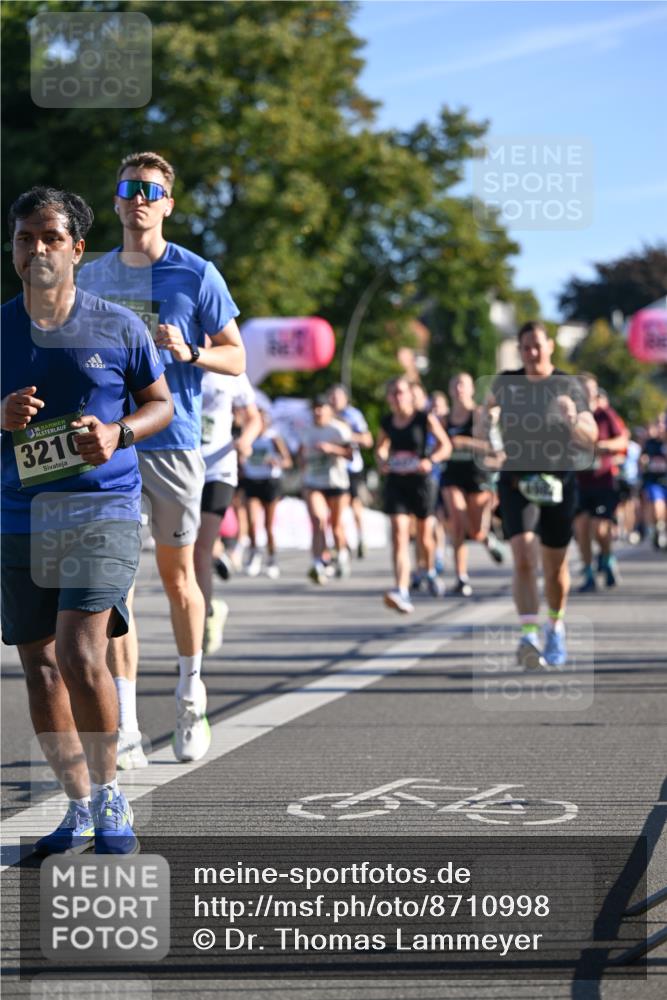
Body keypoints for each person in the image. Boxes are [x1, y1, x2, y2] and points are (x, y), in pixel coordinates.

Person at [1, 187, 173, 854]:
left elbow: (158, 403)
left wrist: (119, 432)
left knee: (78, 652)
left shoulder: (118, 325)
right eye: (24, 238)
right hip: (20, 514)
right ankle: (74, 805)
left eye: (49, 236)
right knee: (40, 670)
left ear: (77, 248)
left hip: (101, 508)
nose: (36, 249)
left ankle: (110, 799)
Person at [78, 152, 245, 766]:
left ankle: (189, 693)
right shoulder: (92, 278)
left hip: (174, 443)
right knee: (114, 586)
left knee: (178, 582)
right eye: (129, 188)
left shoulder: (197, 274)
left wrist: (192, 351)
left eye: (151, 189)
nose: (139, 198)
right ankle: (124, 723)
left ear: (167, 203)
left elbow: (237, 356)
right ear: (117, 202)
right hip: (114, 443)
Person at [487, 321, 597, 668]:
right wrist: (487, 419)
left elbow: (590, 433)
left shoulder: (568, 384)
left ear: (550, 345)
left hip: (558, 481)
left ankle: (555, 626)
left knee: (555, 570)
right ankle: (528, 635)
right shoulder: (507, 383)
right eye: (525, 347)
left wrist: (572, 420)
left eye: (537, 345)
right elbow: (485, 415)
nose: (532, 353)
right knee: (522, 557)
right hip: (517, 481)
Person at [195, 368, 260, 654]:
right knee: (182, 555)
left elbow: (253, 417)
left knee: (200, 550)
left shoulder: (230, 367)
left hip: (218, 469)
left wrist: (246, 439)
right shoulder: (172, 358)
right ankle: (209, 610)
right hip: (181, 467)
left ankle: (197, 635)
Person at [376, 376, 451, 613]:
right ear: (389, 398)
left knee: (424, 536)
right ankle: (402, 590)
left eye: (401, 392)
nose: (398, 397)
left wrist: (431, 461)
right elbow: (381, 446)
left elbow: (445, 446)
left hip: (421, 482)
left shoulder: (423, 418)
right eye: (393, 393)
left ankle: (428, 570)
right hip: (397, 480)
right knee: (399, 533)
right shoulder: (387, 421)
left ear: (410, 394)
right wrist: (381, 459)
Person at [440, 373, 503, 597]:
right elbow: (434, 446)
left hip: (476, 475)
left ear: (471, 390)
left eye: (463, 384)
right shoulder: (444, 420)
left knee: (474, 531)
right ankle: (460, 576)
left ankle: (487, 538)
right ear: (449, 390)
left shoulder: (479, 415)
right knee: (457, 521)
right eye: (454, 384)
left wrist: (466, 443)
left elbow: (495, 450)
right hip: (451, 475)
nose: (458, 389)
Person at [574, 374, 629, 591]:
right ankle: (588, 573)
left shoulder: (605, 414)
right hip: (579, 482)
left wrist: (603, 446)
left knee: (599, 528)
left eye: (590, 390)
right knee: (581, 528)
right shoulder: (571, 416)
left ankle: (607, 559)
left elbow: (623, 440)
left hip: (602, 482)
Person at [299, 395, 353, 584]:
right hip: (313, 482)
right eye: (315, 408)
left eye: (321, 408)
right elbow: (301, 454)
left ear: (330, 410)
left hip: (337, 483)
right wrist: (303, 468)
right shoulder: (306, 431)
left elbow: (350, 455)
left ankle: (342, 555)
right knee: (318, 520)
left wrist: (332, 449)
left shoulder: (338, 429)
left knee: (336, 527)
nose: (318, 412)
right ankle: (317, 563)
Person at [240, 405, 292, 578]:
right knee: (252, 521)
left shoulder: (273, 439)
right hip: (251, 480)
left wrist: (276, 461)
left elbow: (288, 461)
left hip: (270, 482)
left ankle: (271, 558)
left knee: (268, 525)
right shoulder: (247, 438)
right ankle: (254, 553)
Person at [328, 384, 373, 558]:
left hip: (351, 467)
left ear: (345, 399)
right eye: (331, 397)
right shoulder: (326, 416)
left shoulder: (353, 415)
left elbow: (367, 440)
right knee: (336, 508)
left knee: (354, 505)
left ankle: (361, 538)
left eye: (338, 397)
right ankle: (340, 542)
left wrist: (346, 434)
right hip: (332, 469)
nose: (334, 400)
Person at [640, 414, 667, 550]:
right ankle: (658, 529)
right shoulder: (651, 443)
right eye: (660, 424)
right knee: (657, 508)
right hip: (655, 481)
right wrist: (643, 462)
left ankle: (662, 529)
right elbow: (642, 459)